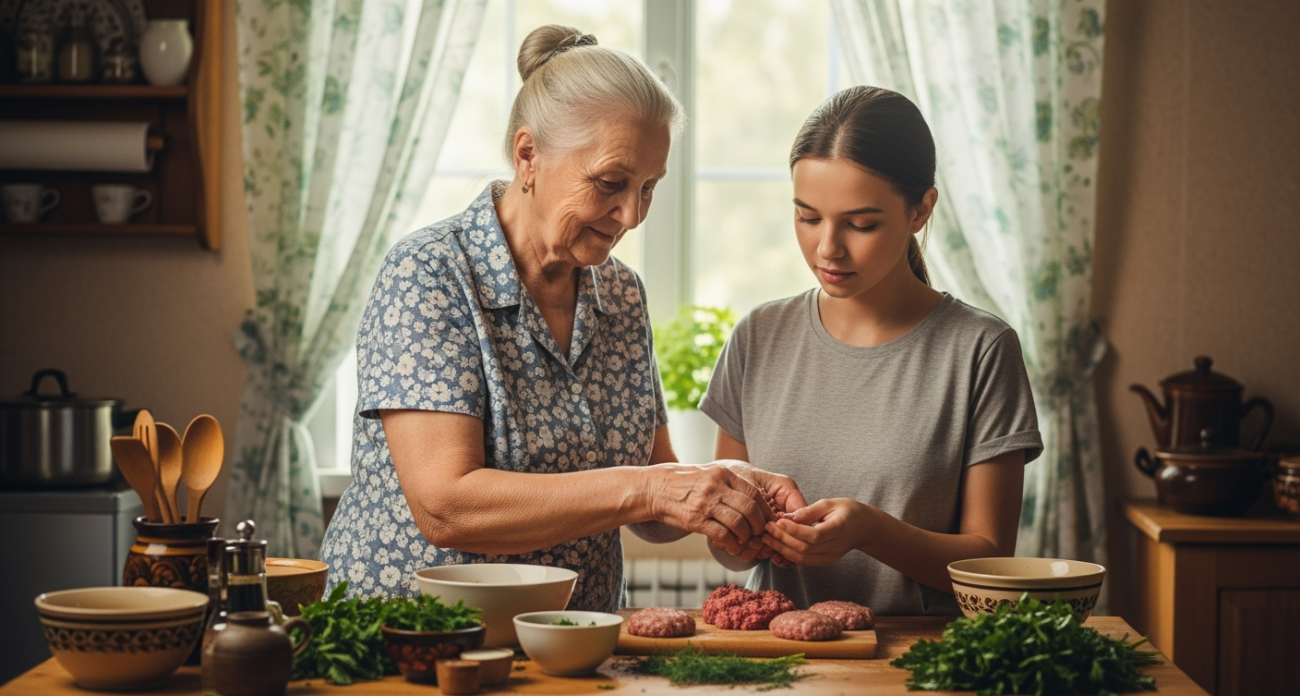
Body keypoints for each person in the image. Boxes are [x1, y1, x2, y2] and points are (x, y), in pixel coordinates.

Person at [319, 25, 801, 611]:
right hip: (419, 638)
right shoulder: (428, 274)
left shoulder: (622, 294)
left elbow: (652, 488)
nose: (632, 213)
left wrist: (724, 486)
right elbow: (447, 506)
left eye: (649, 188)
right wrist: (652, 489)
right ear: (528, 154)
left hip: (576, 642)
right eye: (611, 182)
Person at [699, 86, 1043, 615]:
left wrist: (869, 530)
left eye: (861, 224)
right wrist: (737, 534)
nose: (827, 247)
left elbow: (990, 563)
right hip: (781, 666)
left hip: (921, 668)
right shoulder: (757, 336)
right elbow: (728, 556)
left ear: (920, 210)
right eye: (808, 217)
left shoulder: (981, 350)